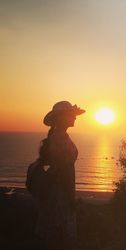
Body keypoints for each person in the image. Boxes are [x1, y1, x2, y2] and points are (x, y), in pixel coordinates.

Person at [34, 101, 85, 250]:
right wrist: (71, 199)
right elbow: (64, 172)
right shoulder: (60, 139)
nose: (75, 117)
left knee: (54, 236)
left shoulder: (57, 137)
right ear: (61, 117)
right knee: (60, 238)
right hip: (60, 195)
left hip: (55, 193)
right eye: (71, 114)